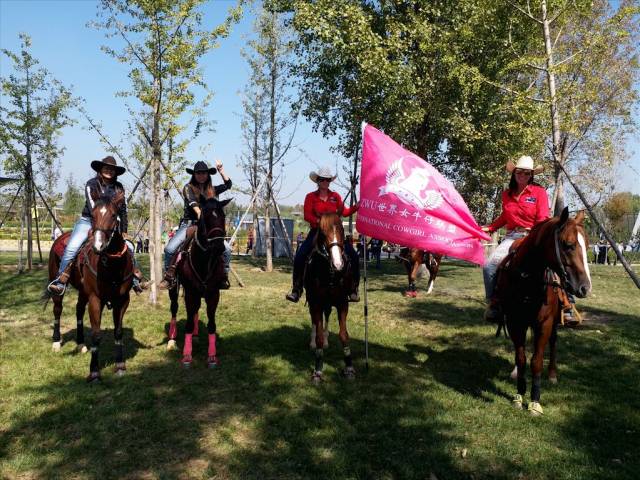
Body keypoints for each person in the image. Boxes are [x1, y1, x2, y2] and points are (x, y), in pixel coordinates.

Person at [47, 156, 149, 295]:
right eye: (106, 168)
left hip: (111, 225)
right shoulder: (91, 184)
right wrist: (102, 220)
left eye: (112, 169)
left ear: (116, 172)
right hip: (88, 220)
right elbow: (92, 206)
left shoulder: (119, 188)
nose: (109, 171)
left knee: (129, 247)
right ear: (100, 169)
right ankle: (60, 280)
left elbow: (123, 209)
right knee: (72, 247)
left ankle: (135, 280)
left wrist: (123, 230)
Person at [481, 155, 550, 323]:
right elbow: (505, 216)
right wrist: (490, 227)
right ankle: (494, 303)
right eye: (520, 172)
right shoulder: (506, 194)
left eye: (527, 173)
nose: (523, 176)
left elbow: (543, 218)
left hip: (533, 236)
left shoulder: (539, 193)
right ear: (514, 173)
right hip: (512, 237)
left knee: (555, 265)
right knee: (489, 266)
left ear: (531, 175)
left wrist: (535, 235)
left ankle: (567, 303)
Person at [285, 166, 360, 303]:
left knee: (353, 255)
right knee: (300, 256)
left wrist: (358, 206)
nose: (325, 182)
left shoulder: (335, 196)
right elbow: (307, 215)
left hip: (335, 233)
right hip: (317, 232)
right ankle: (297, 289)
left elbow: (344, 212)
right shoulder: (310, 197)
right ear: (317, 181)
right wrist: (320, 222)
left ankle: (353, 289)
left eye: (327, 180)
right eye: (322, 179)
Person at [159, 160, 232, 290]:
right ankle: (169, 277)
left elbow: (228, 184)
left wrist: (221, 171)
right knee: (169, 249)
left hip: (206, 227)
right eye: (198, 173)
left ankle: (223, 275)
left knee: (226, 249)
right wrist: (202, 216)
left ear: (208, 175)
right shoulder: (188, 188)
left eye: (204, 173)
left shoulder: (212, 190)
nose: (201, 175)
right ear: (194, 174)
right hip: (189, 224)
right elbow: (194, 206)